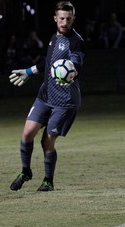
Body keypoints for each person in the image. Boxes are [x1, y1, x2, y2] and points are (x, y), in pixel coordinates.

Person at [8, 1, 85, 192]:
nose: (65, 22)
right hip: (45, 96)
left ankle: (48, 181)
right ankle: (26, 171)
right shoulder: (54, 38)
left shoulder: (76, 41)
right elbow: (48, 62)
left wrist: (72, 72)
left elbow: (76, 63)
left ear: (73, 19)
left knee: (46, 140)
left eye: (68, 19)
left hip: (65, 101)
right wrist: (28, 71)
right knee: (27, 134)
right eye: (61, 18)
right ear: (55, 19)